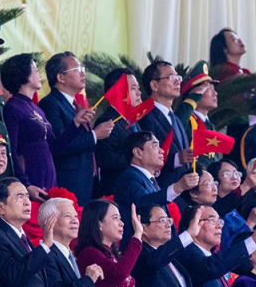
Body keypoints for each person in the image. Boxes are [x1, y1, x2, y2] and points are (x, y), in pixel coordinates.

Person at [39, 51, 114, 205]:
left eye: (82, 70)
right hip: (69, 180)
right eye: (77, 70)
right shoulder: (51, 103)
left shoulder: (75, 104)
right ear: (60, 77)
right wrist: (94, 135)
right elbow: (59, 143)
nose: (82, 74)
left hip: (87, 180)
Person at [75, 199, 143, 287]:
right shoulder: (89, 253)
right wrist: (137, 237)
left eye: (120, 218)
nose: (122, 223)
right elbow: (119, 273)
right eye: (115, 218)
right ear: (99, 223)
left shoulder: (112, 256)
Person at [113, 131, 199, 242]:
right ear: (138, 153)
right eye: (155, 146)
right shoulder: (128, 177)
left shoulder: (150, 180)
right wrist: (178, 187)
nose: (162, 150)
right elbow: (144, 203)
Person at [0, 53, 63, 200]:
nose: (39, 75)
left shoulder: (36, 108)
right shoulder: (13, 107)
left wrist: (76, 124)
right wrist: (25, 185)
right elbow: (11, 150)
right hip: (32, 178)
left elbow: (54, 146)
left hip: (48, 176)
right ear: (24, 76)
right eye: (35, 70)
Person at [138, 61, 191, 187]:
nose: (178, 81)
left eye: (178, 77)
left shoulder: (175, 119)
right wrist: (178, 159)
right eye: (171, 77)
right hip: (161, 188)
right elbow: (145, 157)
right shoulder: (145, 115)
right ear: (154, 85)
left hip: (182, 192)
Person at [95, 68, 143, 196]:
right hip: (115, 191)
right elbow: (105, 158)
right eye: (133, 88)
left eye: (138, 88)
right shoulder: (107, 121)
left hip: (134, 186)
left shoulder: (133, 121)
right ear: (118, 92)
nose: (139, 93)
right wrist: (139, 160)